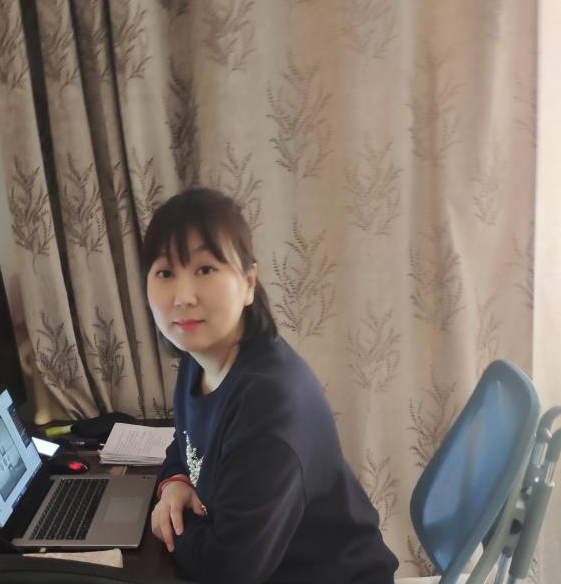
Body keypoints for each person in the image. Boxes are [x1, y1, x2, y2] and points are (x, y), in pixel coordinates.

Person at [142, 188, 399, 584]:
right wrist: (174, 484)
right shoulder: (198, 362)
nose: (183, 296)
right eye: (165, 273)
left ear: (248, 283)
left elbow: (229, 570)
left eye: (205, 269)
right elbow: (187, 441)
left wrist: (171, 526)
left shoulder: (269, 403)